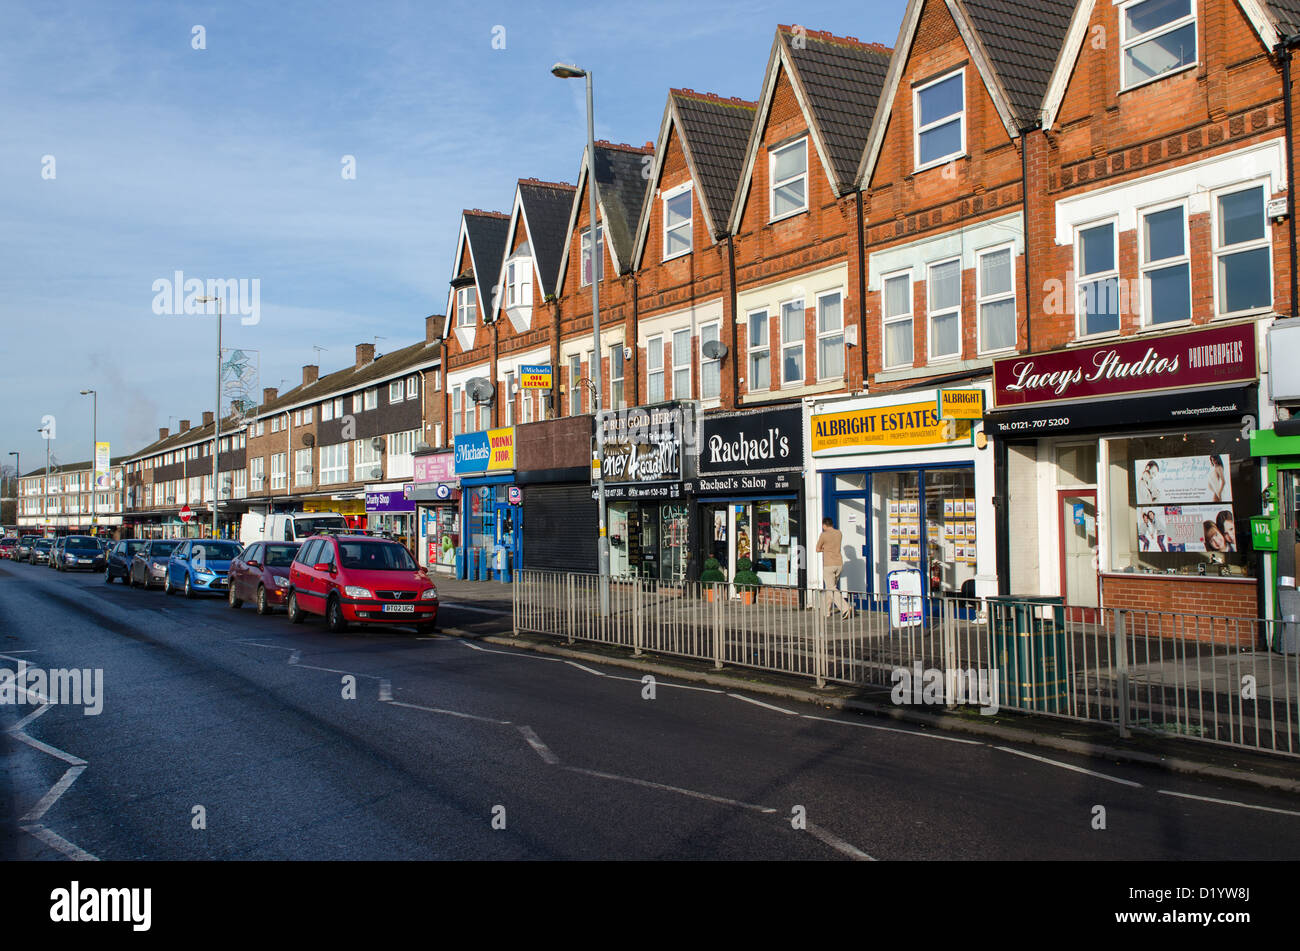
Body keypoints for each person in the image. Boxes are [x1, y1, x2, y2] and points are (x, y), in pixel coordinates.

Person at [815, 517, 851, 619]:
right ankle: (826, 611)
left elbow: (817, 549)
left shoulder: (824, 535)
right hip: (839, 563)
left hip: (829, 564)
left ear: (824, 525)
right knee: (831, 588)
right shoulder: (839, 533)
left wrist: (824, 549)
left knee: (831, 588)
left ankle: (845, 608)